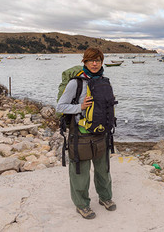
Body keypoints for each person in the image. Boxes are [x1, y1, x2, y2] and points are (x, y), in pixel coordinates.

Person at [57, 48, 116, 219]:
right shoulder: (76, 83)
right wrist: (80, 107)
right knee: (80, 172)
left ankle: (105, 198)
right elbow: (60, 106)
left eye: (98, 60)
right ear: (84, 62)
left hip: (101, 133)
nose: (95, 64)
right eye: (91, 60)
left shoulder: (106, 81)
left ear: (102, 62)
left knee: (103, 170)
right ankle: (82, 205)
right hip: (80, 135)